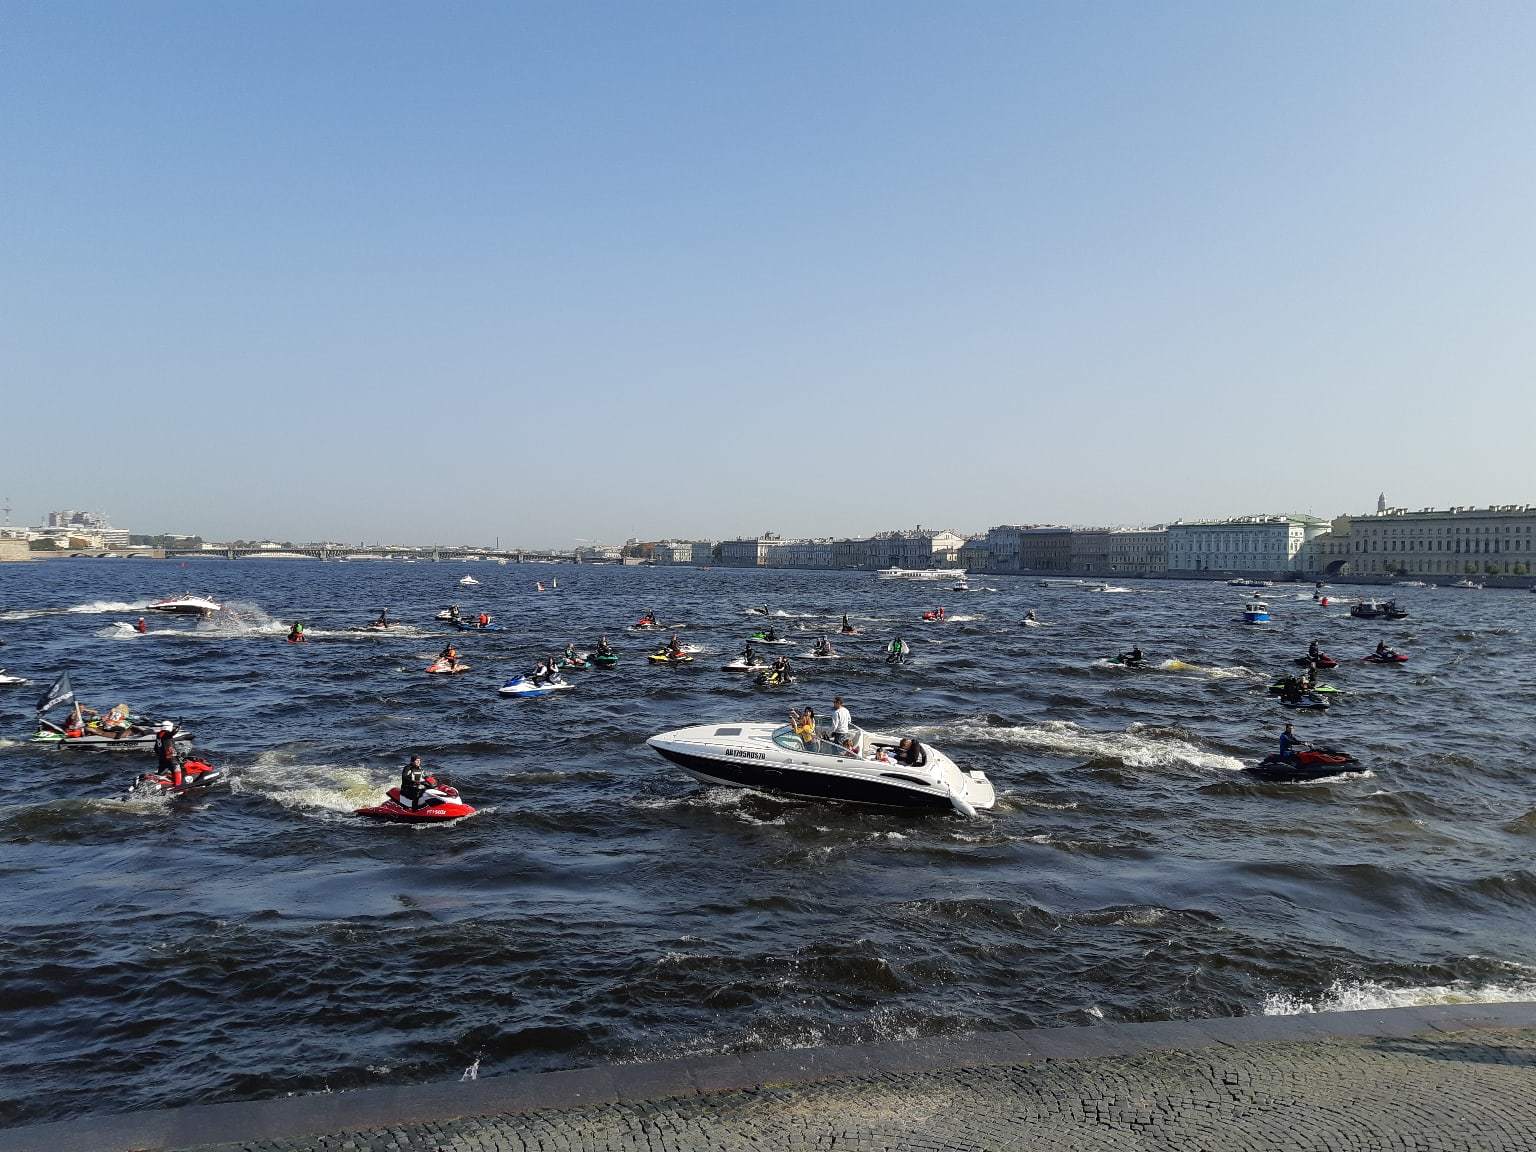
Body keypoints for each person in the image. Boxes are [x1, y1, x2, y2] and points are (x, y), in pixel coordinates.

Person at [152, 721, 182, 787]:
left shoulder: (158, 735)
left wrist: (160, 754)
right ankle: (178, 785)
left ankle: (157, 785)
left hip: (162, 758)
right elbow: (174, 732)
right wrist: (179, 726)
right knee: (177, 768)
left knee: (161, 772)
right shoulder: (166, 734)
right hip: (170, 757)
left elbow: (155, 748)